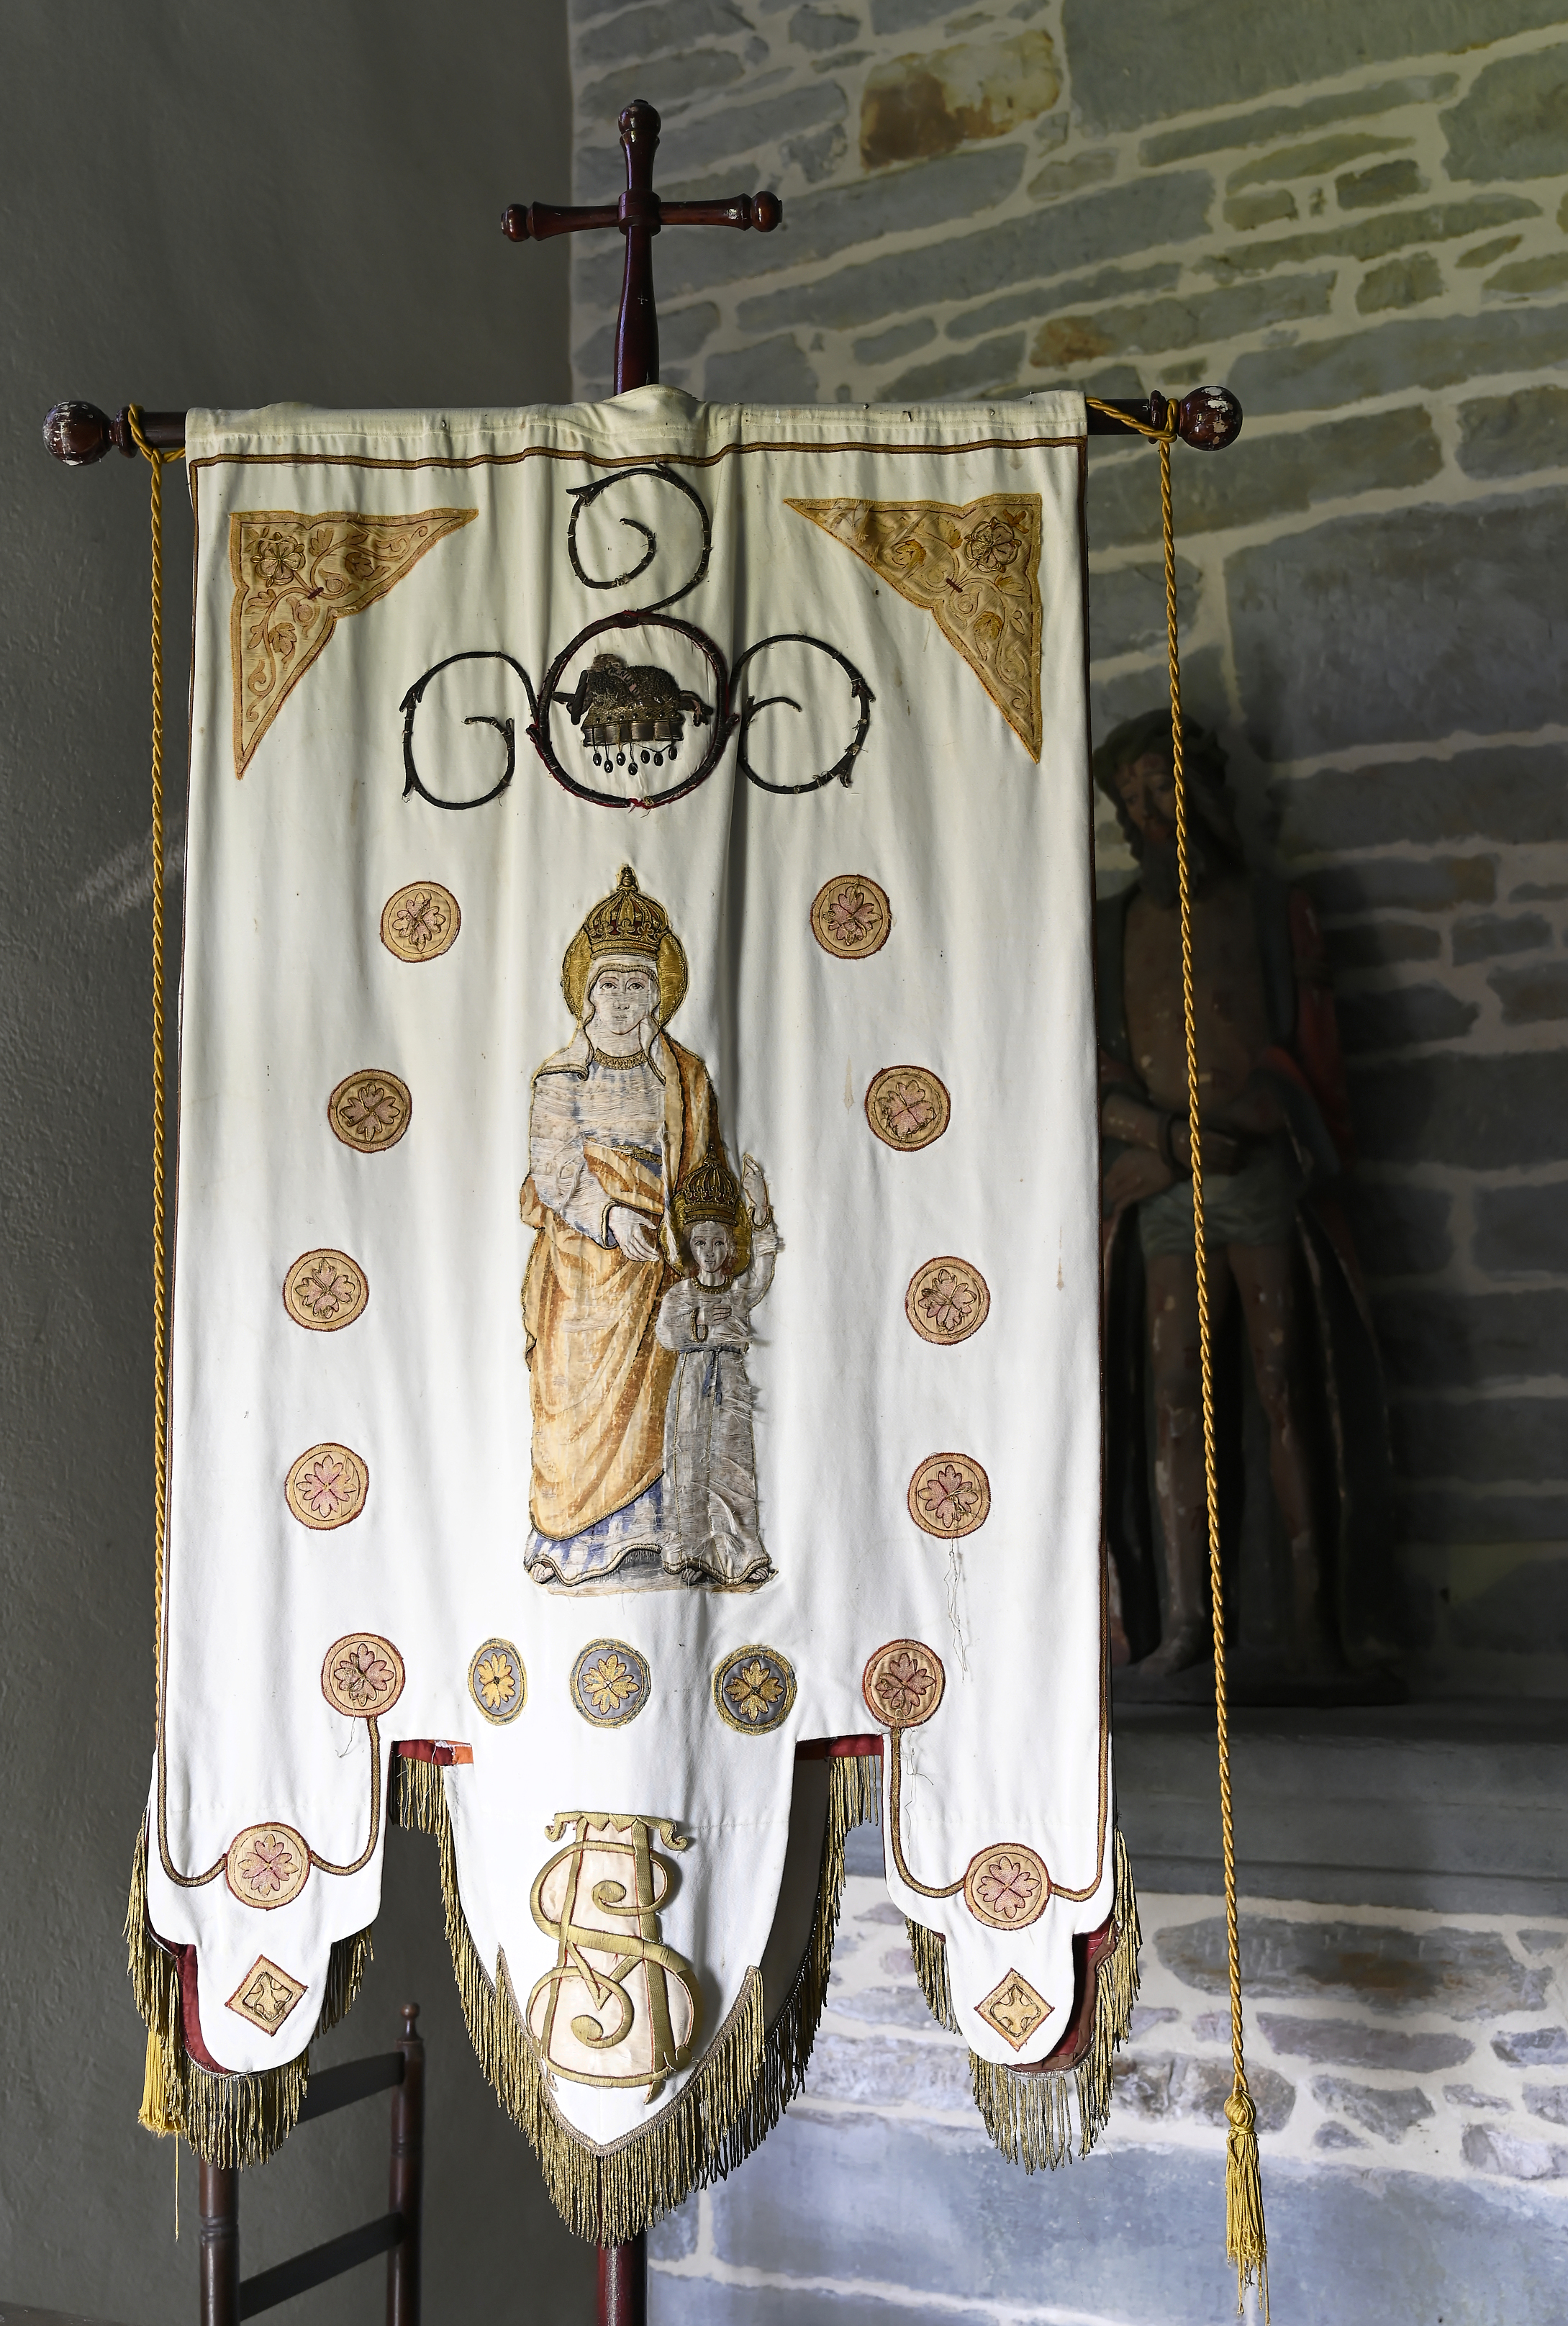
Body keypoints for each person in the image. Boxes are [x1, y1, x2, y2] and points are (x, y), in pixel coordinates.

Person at [1095, 711, 1393, 1684]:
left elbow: (1311, 1051)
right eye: (1131, 799)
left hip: (1258, 1177)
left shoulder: (1272, 911)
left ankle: (1312, 1621)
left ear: (1202, 793)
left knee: (1281, 1380)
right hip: (1160, 1189)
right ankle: (1186, 1620)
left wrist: (1234, 1125)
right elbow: (1086, 1064)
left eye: (1161, 787)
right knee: (1171, 1396)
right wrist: (1163, 1139)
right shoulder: (1108, 929)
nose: (1148, 812)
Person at [520, 866, 722, 1587]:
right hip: (583, 1262)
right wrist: (608, 1214)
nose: (623, 997)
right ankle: (575, 1540)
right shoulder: (562, 1076)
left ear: (657, 992)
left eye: (638, 983)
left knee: (659, 1395)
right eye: (611, 983)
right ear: (588, 991)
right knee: (576, 1396)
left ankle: (650, 1531)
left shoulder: (683, 1075)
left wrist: (694, 1230)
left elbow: (702, 1162)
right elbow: (553, 1167)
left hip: (657, 1259)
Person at [656, 1151, 780, 1588]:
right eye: (701, 1244)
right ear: (691, 1247)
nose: (709, 1253)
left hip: (730, 1381)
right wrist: (703, 1325)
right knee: (688, 1459)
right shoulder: (680, 1294)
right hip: (691, 1383)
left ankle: (741, 1553)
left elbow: (763, 1269)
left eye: (718, 1244)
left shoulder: (738, 1291)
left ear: (729, 1247)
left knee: (732, 1463)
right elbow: (667, 1334)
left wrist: (760, 1209)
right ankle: (690, 1550)